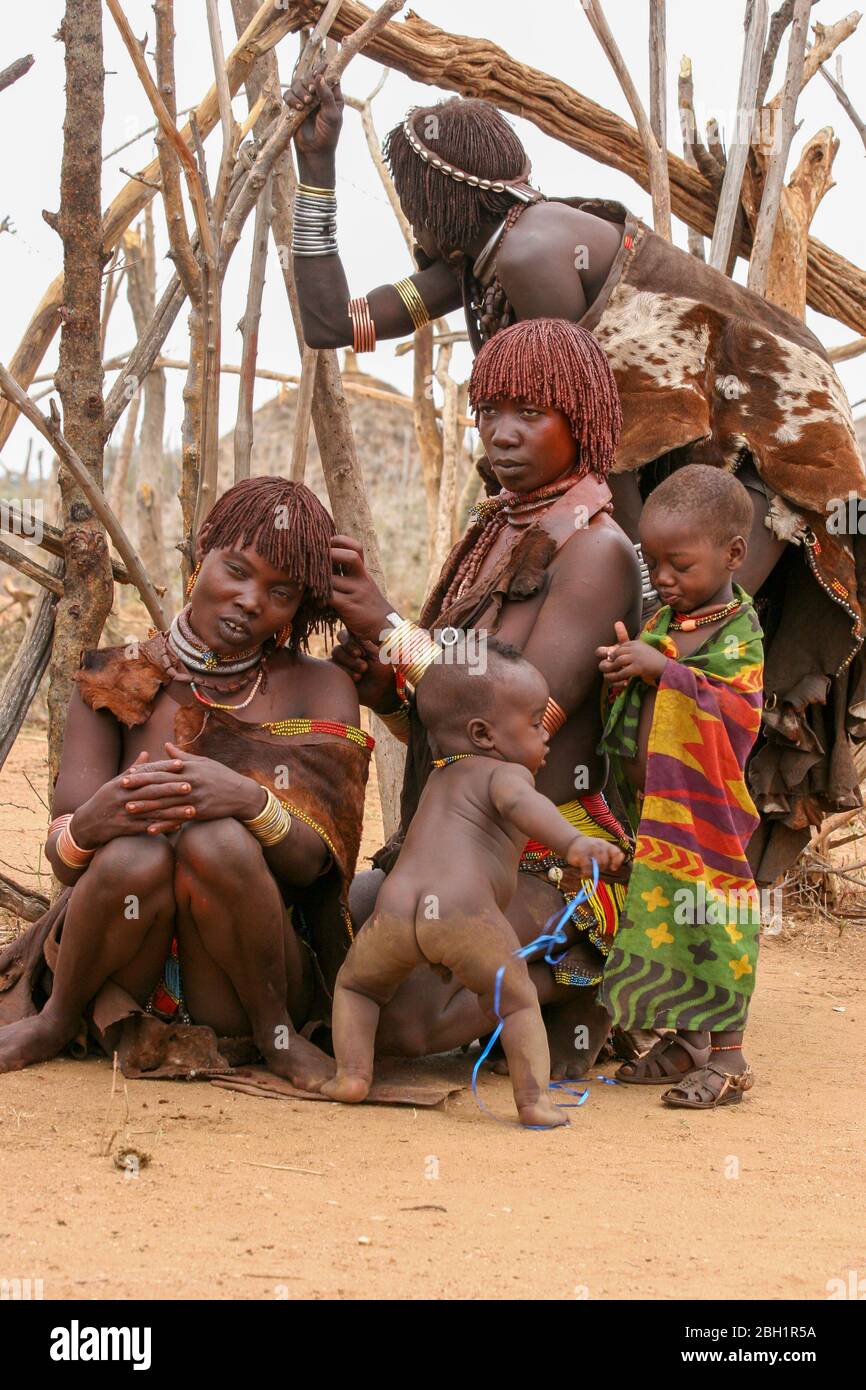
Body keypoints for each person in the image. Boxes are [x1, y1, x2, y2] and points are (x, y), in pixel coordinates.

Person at [285, 79, 866, 882]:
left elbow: (600, 434)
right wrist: (315, 167)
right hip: (684, 438)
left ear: (443, 193)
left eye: (414, 196)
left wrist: (618, 574)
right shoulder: (478, 263)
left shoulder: (531, 254)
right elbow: (332, 325)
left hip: (781, 442)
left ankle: (649, 906)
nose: (413, 221)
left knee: (662, 645)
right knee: (617, 646)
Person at [329, 317, 639, 1077]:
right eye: (490, 411)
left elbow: (524, 725)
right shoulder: (496, 532)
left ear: (584, 419)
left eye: (530, 413)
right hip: (456, 846)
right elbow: (464, 732)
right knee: (348, 930)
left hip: (542, 854)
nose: (503, 433)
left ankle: (578, 982)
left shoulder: (597, 553)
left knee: (401, 1028)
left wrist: (389, 625)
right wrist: (390, 698)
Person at [0, 478, 371, 1090]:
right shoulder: (114, 676)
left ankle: (277, 1036)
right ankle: (58, 1019)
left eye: (280, 593)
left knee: (218, 841)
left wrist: (251, 802)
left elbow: (317, 871)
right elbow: (65, 856)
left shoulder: (320, 688)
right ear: (204, 552)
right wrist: (100, 817)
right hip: (122, 975)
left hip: (239, 975)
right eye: (237, 571)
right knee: (130, 854)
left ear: (300, 605)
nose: (252, 601)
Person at [321, 643, 624, 1127]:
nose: (546, 733)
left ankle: (352, 1076)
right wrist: (573, 843)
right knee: (515, 1000)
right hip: (464, 913)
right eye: (534, 722)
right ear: (483, 734)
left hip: (397, 908)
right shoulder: (506, 775)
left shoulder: (439, 778)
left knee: (357, 987)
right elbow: (527, 808)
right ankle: (533, 1102)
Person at [596, 465, 764, 1108]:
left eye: (679, 564)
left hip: (706, 817)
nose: (662, 578)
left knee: (714, 922)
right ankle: (687, 1041)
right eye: (652, 562)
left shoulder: (736, 631)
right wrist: (627, 671)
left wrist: (664, 669)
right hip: (656, 815)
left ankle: (729, 1059)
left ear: (734, 555)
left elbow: (738, 709)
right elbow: (650, 686)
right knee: (667, 920)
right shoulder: (671, 617)